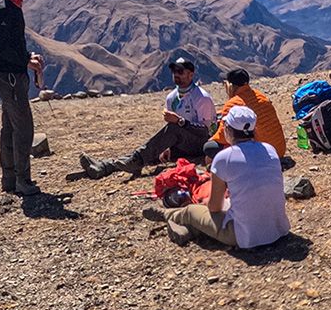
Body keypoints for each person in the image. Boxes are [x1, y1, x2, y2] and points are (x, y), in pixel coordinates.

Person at [143, 105, 289, 248]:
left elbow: (214, 207)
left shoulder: (224, 158)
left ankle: (167, 215)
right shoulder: (270, 149)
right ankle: (189, 229)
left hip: (245, 235)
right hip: (278, 229)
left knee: (192, 211)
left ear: (227, 129)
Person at [79, 56, 217, 178]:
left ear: (191, 75)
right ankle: (105, 167)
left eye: (180, 72)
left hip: (200, 145)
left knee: (171, 130)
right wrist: (166, 146)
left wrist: (181, 122)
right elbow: (172, 131)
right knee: (150, 152)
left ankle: (129, 162)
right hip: (180, 145)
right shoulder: (171, 97)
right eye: (174, 71)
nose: (176, 74)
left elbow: (208, 131)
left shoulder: (202, 98)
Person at [0, 0, 45, 197]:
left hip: (12, 76)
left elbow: (12, 46)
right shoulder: (3, 13)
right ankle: (23, 180)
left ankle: (9, 179)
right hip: (10, 77)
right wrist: (25, 61)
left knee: (9, 126)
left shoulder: (13, 9)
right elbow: (0, 50)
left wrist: (27, 56)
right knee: (23, 128)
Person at [205, 67, 290, 169]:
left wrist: (211, 139)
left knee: (209, 148)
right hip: (278, 150)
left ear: (231, 85)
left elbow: (224, 137)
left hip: (261, 155)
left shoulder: (233, 104)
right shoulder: (261, 97)